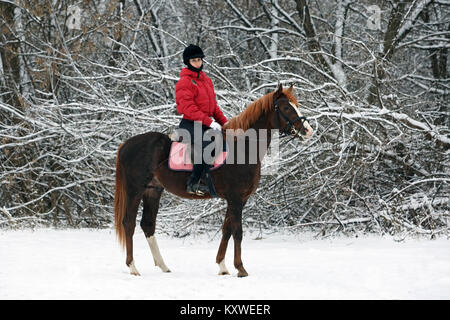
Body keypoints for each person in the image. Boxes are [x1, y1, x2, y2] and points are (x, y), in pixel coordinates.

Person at [175, 44, 228, 195]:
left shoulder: (206, 81)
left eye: (199, 60)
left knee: (224, 139)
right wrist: (210, 122)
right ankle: (195, 182)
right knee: (207, 142)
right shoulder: (184, 82)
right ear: (188, 62)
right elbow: (188, 108)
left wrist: (225, 122)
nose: (198, 63)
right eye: (194, 60)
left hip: (205, 122)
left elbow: (214, 107)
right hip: (190, 123)